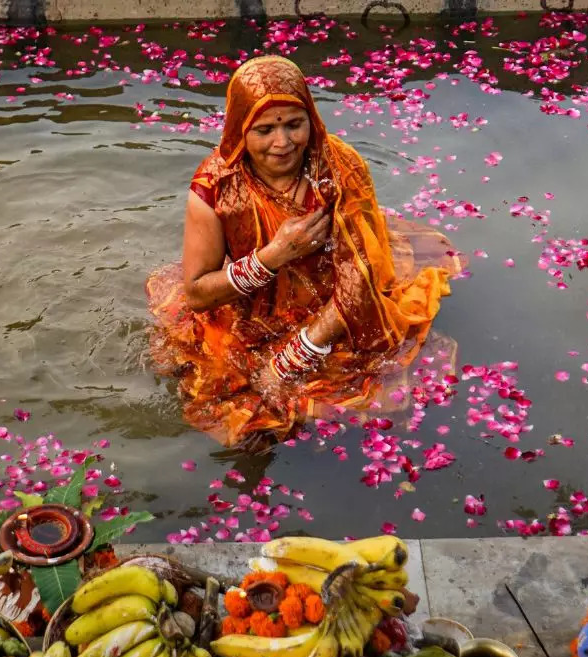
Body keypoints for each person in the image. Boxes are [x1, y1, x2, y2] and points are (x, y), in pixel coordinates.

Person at [145, 55, 464, 450]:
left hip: (335, 303)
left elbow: (358, 277)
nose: (283, 143)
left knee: (359, 389)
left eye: (294, 125)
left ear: (311, 120)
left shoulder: (339, 167)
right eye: (264, 130)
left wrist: (293, 358)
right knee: (237, 417)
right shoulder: (215, 186)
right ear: (238, 131)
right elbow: (196, 293)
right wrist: (273, 256)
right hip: (250, 306)